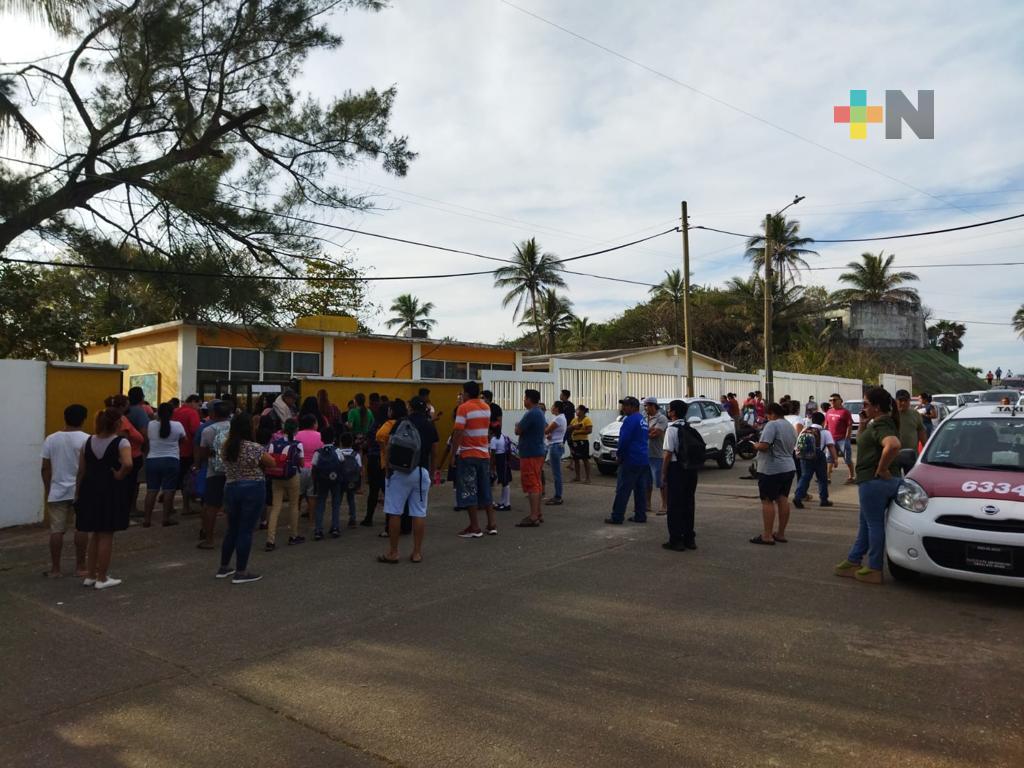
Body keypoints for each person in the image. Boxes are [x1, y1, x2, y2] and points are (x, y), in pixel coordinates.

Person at [834, 388, 902, 585]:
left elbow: (893, 445)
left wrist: (882, 469)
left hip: (874, 483)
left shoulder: (882, 424)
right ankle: (854, 559)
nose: (863, 408)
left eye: (866, 404)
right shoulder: (877, 423)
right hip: (873, 482)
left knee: (873, 525)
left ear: (877, 407)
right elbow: (869, 442)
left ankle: (874, 567)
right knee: (866, 523)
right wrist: (863, 424)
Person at [76, 407, 133, 590]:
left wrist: (78, 492)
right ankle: (102, 577)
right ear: (117, 423)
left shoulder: (87, 442)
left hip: (89, 488)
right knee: (107, 533)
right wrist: (120, 474)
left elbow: (82, 470)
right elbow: (128, 463)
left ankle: (91, 575)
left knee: (95, 533)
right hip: (109, 488)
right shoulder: (121, 442)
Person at [378, 395, 438, 564]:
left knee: (395, 512)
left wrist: (388, 469)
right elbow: (434, 452)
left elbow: (390, 446)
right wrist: (432, 473)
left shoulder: (400, 423)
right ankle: (417, 553)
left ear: (410, 407)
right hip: (421, 472)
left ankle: (393, 552)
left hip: (399, 472)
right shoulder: (429, 425)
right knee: (418, 512)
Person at [217, 414, 274, 583]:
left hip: (231, 486)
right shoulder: (253, 447)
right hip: (252, 487)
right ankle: (241, 571)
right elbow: (271, 462)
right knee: (246, 530)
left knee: (232, 529)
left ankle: (224, 566)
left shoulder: (226, 446)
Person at [41, 404, 90, 578]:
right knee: (81, 528)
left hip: (57, 489)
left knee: (56, 531)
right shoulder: (87, 440)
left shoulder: (51, 439)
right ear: (84, 419)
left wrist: (48, 488)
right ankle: (81, 566)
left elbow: (45, 468)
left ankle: (55, 568)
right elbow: (89, 468)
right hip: (81, 489)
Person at [453, 380, 497, 537]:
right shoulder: (486, 407)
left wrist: (454, 454)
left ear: (465, 393)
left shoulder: (463, 408)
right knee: (485, 489)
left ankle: (475, 527)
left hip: (468, 454)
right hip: (484, 453)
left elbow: (458, 432)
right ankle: (492, 524)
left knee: (469, 489)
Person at [749, 402, 797, 545]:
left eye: (767, 415)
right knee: (782, 499)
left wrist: (755, 445)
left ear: (772, 413)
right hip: (788, 466)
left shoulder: (772, 425)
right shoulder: (789, 426)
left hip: (772, 468)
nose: (766, 417)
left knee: (767, 500)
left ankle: (767, 535)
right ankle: (780, 533)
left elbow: (764, 446)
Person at [661, 399, 701, 551]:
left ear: (673, 412)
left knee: (674, 505)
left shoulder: (672, 429)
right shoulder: (689, 427)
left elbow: (667, 454)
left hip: (676, 468)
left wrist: (663, 474)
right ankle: (689, 538)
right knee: (688, 504)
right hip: (691, 469)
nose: (668, 411)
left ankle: (675, 540)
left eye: (670, 409)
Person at [605, 396, 649, 524]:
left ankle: (617, 516)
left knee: (623, 489)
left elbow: (624, 440)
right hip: (642, 458)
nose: (623, 408)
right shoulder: (642, 420)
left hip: (631, 459)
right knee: (640, 489)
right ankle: (640, 515)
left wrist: (620, 455)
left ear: (634, 407)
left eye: (626, 405)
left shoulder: (629, 420)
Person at [196, 399, 233, 549]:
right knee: (232, 504)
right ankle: (233, 535)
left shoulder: (208, 430)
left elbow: (203, 453)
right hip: (234, 470)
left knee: (211, 505)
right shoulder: (235, 428)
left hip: (214, 471)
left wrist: (198, 464)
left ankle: (209, 538)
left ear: (213, 414)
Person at [143, 402, 185, 527]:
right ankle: (166, 518)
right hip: (171, 460)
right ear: (172, 413)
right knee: (169, 490)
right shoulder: (177, 425)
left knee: (151, 490)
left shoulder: (151, 425)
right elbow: (183, 440)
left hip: (152, 460)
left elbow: (146, 440)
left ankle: (147, 520)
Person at [264, 418, 304, 550]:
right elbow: (302, 463)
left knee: (276, 508)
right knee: (293, 506)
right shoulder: (298, 444)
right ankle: (293, 535)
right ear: (296, 429)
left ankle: (270, 540)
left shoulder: (274, 442)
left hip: (276, 476)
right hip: (292, 476)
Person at [314, 430, 361, 537]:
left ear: (321, 439)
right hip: (336, 481)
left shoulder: (318, 452)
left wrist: (315, 481)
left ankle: (318, 530)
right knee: (336, 504)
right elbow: (342, 465)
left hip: (322, 481)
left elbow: (314, 467)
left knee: (321, 503)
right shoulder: (337, 451)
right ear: (334, 439)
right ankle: (335, 527)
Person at [514, 389, 547, 528]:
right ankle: (537, 513)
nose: (524, 400)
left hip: (530, 453)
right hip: (537, 451)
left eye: (525, 398)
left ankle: (533, 516)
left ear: (529, 399)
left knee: (532, 483)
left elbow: (518, 430)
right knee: (537, 483)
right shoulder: (539, 413)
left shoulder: (531, 413)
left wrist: (517, 425)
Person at [793, 411, 837, 509]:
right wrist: (835, 459)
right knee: (822, 478)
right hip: (819, 456)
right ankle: (824, 500)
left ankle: (798, 497)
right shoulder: (825, 432)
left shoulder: (804, 430)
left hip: (804, 456)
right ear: (823, 421)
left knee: (805, 477)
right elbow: (831, 446)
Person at [172, 395, 202, 516]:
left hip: (174, 450)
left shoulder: (175, 411)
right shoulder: (192, 413)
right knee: (187, 479)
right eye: (199, 404)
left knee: (174, 480)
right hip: (188, 449)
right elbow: (196, 431)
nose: (199, 407)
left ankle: (170, 506)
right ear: (193, 402)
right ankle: (186, 506)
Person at [642, 397, 669, 515]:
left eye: (647, 405)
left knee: (661, 481)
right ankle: (647, 504)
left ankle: (664, 505)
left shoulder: (661, 418)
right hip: (644, 454)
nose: (645, 408)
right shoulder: (643, 417)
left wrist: (645, 432)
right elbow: (645, 432)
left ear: (653, 406)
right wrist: (648, 430)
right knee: (646, 481)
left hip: (657, 454)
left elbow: (655, 434)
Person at [824, 393, 856, 485]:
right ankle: (828, 478)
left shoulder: (845, 412)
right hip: (831, 439)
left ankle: (851, 477)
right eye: (830, 400)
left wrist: (847, 438)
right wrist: (825, 436)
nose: (832, 402)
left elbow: (849, 425)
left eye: (834, 400)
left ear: (840, 401)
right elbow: (826, 425)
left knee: (847, 459)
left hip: (842, 440)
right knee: (829, 459)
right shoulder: (829, 412)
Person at [543, 401, 567, 507]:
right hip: (557, 444)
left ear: (557, 408)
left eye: (553, 406)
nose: (551, 408)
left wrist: (545, 429)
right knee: (556, 472)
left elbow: (547, 430)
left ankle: (558, 496)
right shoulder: (561, 418)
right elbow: (551, 432)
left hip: (555, 446)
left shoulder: (558, 419)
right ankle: (557, 495)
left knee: (556, 473)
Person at [895, 389, 926, 455]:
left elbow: (922, 433)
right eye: (900, 400)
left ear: (909, 401)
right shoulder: (889, 415)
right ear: (896, 401)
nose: (903, 403)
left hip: (912, 456)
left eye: (906, 400)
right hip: (894, 457)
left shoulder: (915, 414)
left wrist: (926, 452)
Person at [568, 404, 593, 484]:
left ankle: (588, 478)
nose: (576, 411)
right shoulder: (574, 420)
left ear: (582, 411)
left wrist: (578, 432)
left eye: (577, 410)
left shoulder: (587, 420)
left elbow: (589, 430)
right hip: (575, 442)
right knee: (576, 459)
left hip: (583, 442)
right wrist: (573, 427)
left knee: (585, 459)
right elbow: (568, 428)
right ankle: (577, 477)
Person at [490, 428, 513, 511]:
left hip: (499, 459)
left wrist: (491, 468)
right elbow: (509, 451)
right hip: (505, 459)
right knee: (504, 481)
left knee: (504, 482)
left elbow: (492, 455)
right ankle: (503, 502)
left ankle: (507, 504)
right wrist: (509, 462)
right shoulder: (505, 437)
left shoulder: (494, 439)